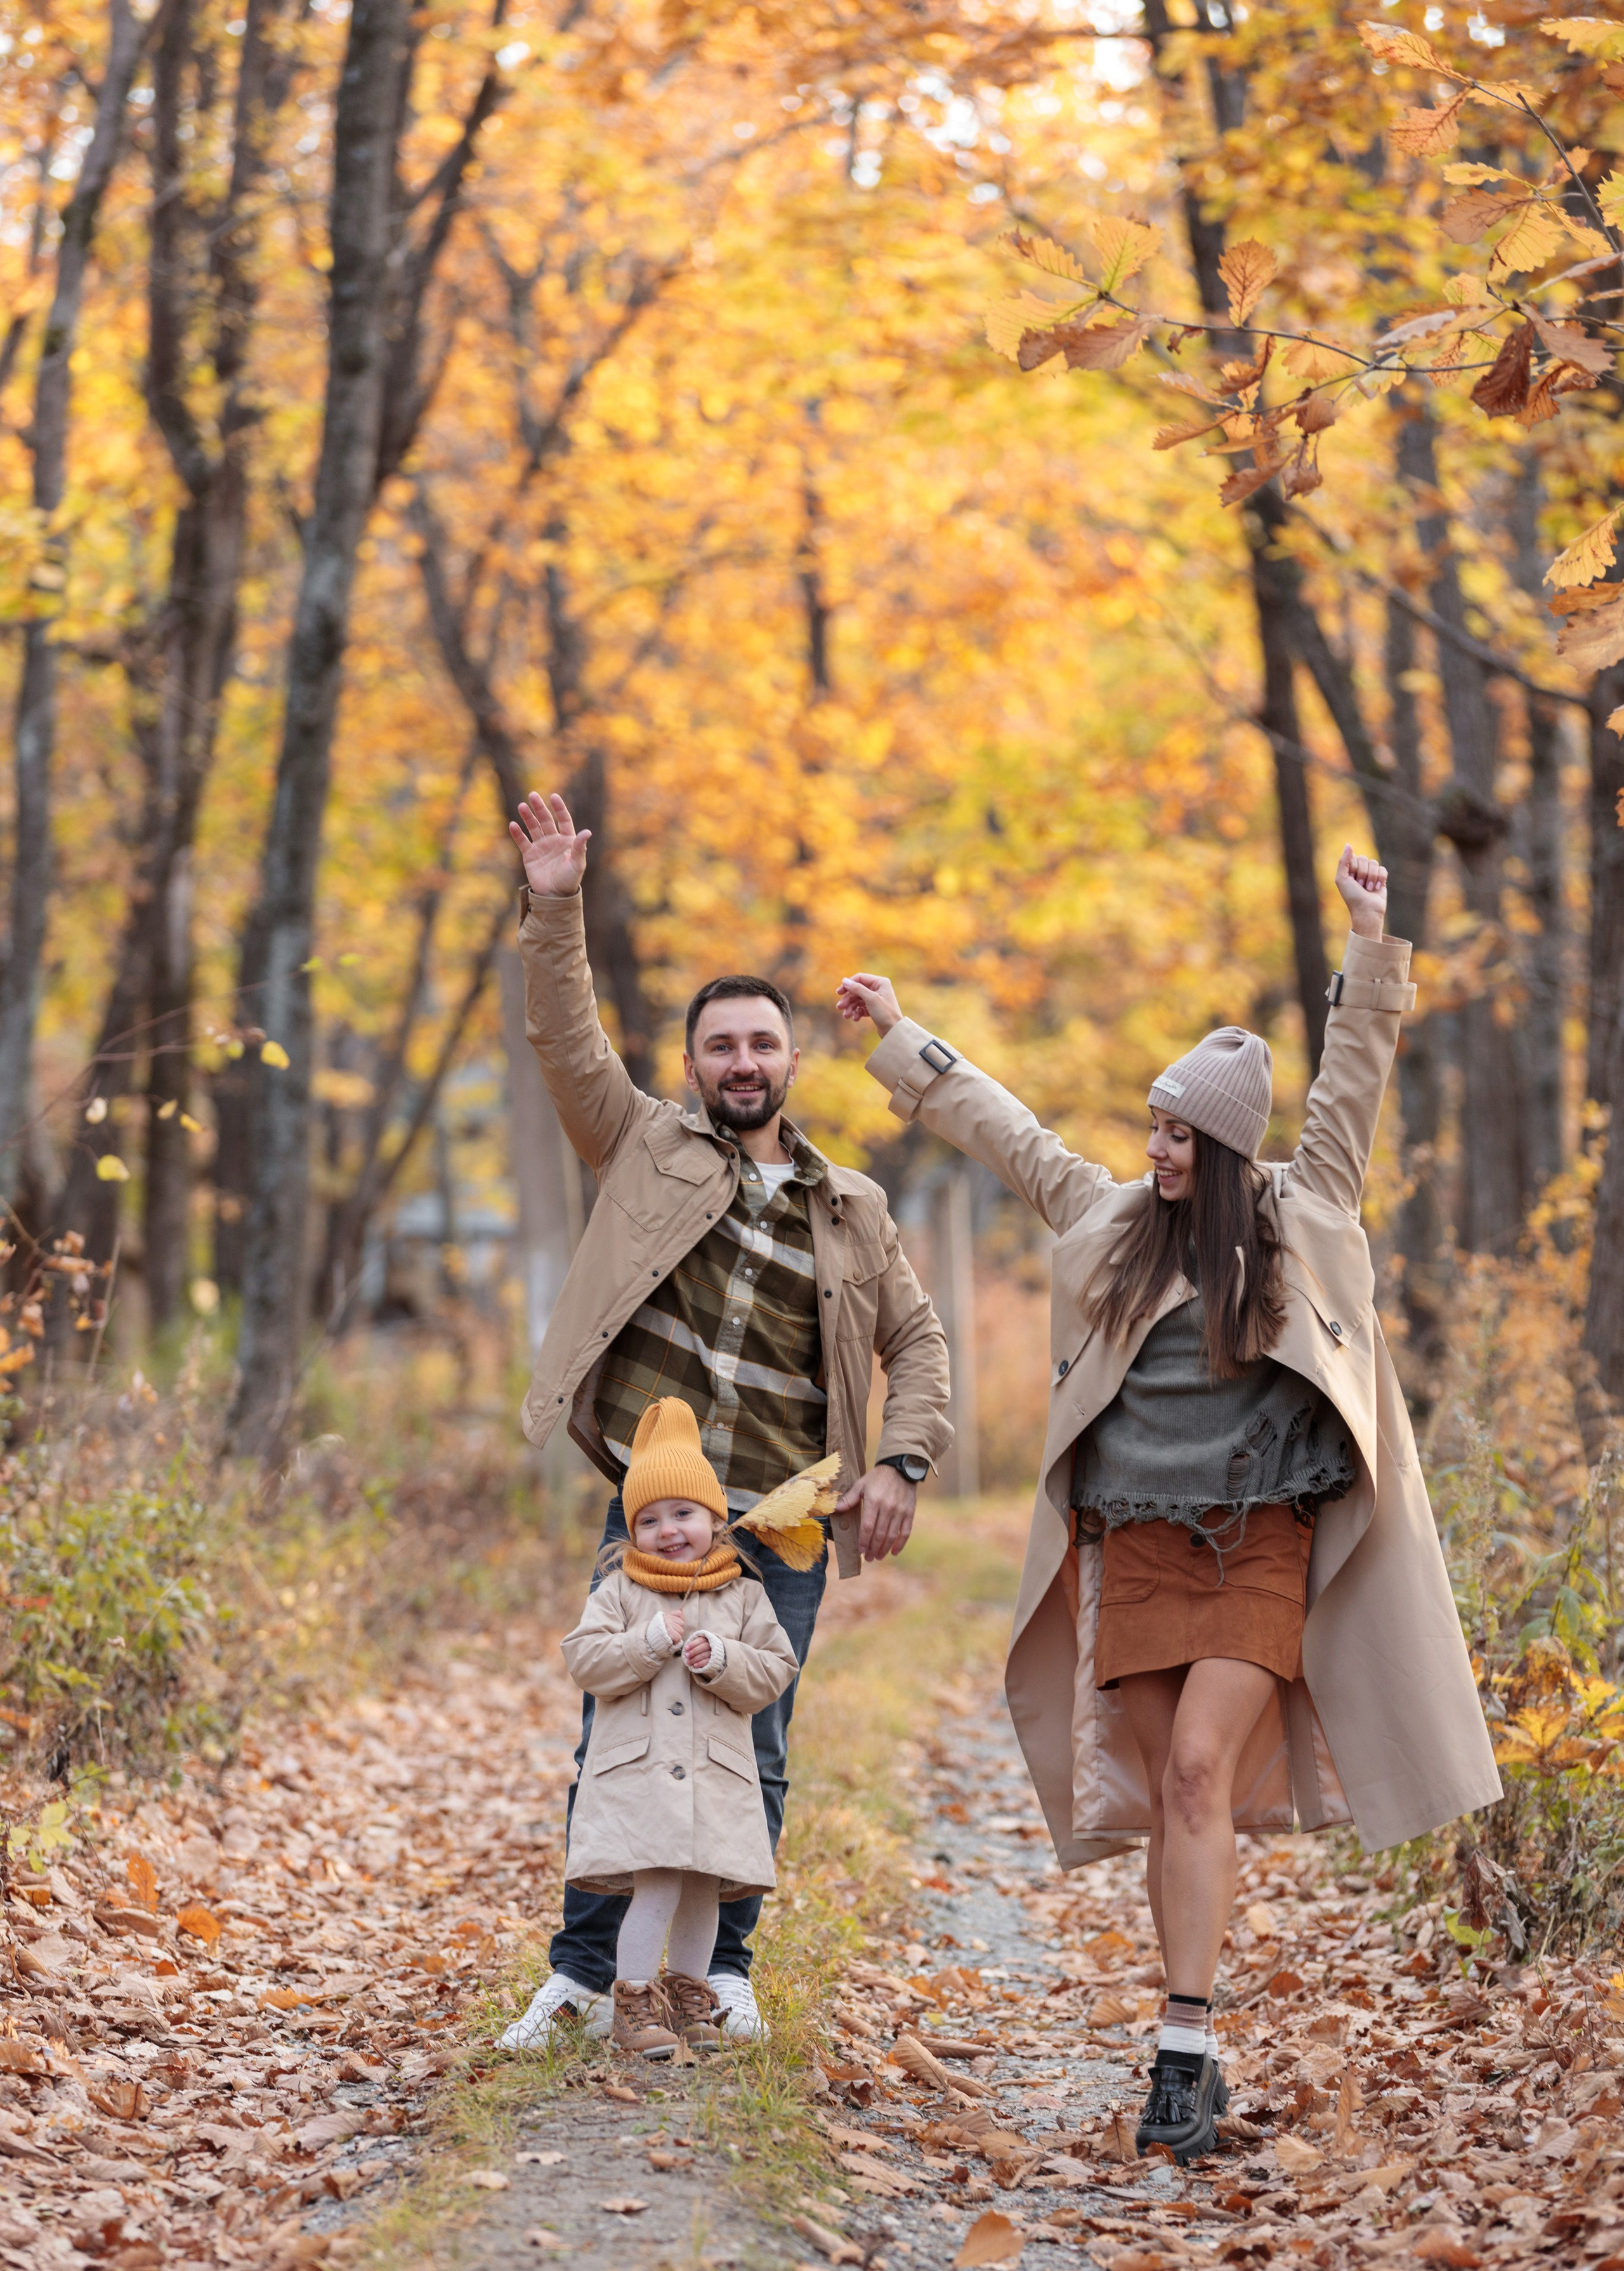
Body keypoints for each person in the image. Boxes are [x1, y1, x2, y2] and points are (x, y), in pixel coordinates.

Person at [836, 848, 1500, 2163]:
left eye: (1178, 1133)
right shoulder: (1109, 1221)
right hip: (1133, 1540)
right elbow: (1010, 1135)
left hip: (1260, 1540)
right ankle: (1184, 2045)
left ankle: (1180, 2055)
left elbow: (1352, 1085)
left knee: (1200, 1764)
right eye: (1151, 1127)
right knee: (1170, 1795)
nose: (1154, 1149)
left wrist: (1370, 945)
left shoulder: (1299, 1218)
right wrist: (905, 1040)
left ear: (1228, 1145)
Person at [501, 790, 952, 2050]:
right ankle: (584, 1981)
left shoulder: (850, 1207)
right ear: (695, 1062)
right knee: (619, 1736)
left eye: (761, 1043)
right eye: (720, 1046)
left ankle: (725, 1974)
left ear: (789, 1061)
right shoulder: (640, 1142)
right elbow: (562, 1038)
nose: (741, 1063)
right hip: (659, 1512)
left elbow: (914, 1344)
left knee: (752, 1745)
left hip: (788, 1523)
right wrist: (554, 905)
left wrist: (902, 1460)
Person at [560, 1399, 800, 2058]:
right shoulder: (618, 1592)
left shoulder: (745, 1594)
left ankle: (690, 1996)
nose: (668, 1531)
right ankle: (632, 2002)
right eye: (649, 1519)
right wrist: (645, 1642)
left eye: (684, 1514)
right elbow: (585, 1659)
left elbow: (776, 1670)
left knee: (704, 1889)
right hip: (640, 1780)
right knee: (658, 1882)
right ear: (630, 1530)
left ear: (717, 1520)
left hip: (714, 1777)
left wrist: (722, 1659)